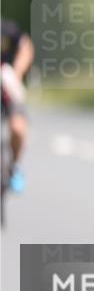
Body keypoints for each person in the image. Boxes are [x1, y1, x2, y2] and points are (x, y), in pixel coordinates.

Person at [1, 18, 33, 192]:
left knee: (18, 128)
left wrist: (17, 72)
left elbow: (25, 46)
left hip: (6, 85)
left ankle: (14, 167)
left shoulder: (6, 29)